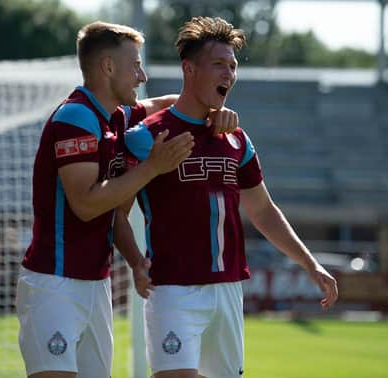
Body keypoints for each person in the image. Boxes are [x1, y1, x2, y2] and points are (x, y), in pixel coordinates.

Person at [16, 21, 237, 378]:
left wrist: (216, 112)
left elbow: (171, 105)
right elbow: (87, 205)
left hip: (95, 283)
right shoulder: (76, 117)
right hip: (54, 283)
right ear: (107, 67)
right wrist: (152, 167)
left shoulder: (117, 116)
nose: (142, 74)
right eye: (135, 64)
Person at [124, 16, 339, 378]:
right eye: (219, 64)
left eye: (233, 66)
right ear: (188, 69)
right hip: (172, 290)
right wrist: (133, 260)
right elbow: (117, 208)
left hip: (227, 292)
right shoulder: (146, 136)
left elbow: (263, 210)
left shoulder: (236, 138)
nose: (229, 74)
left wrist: (310, 263)